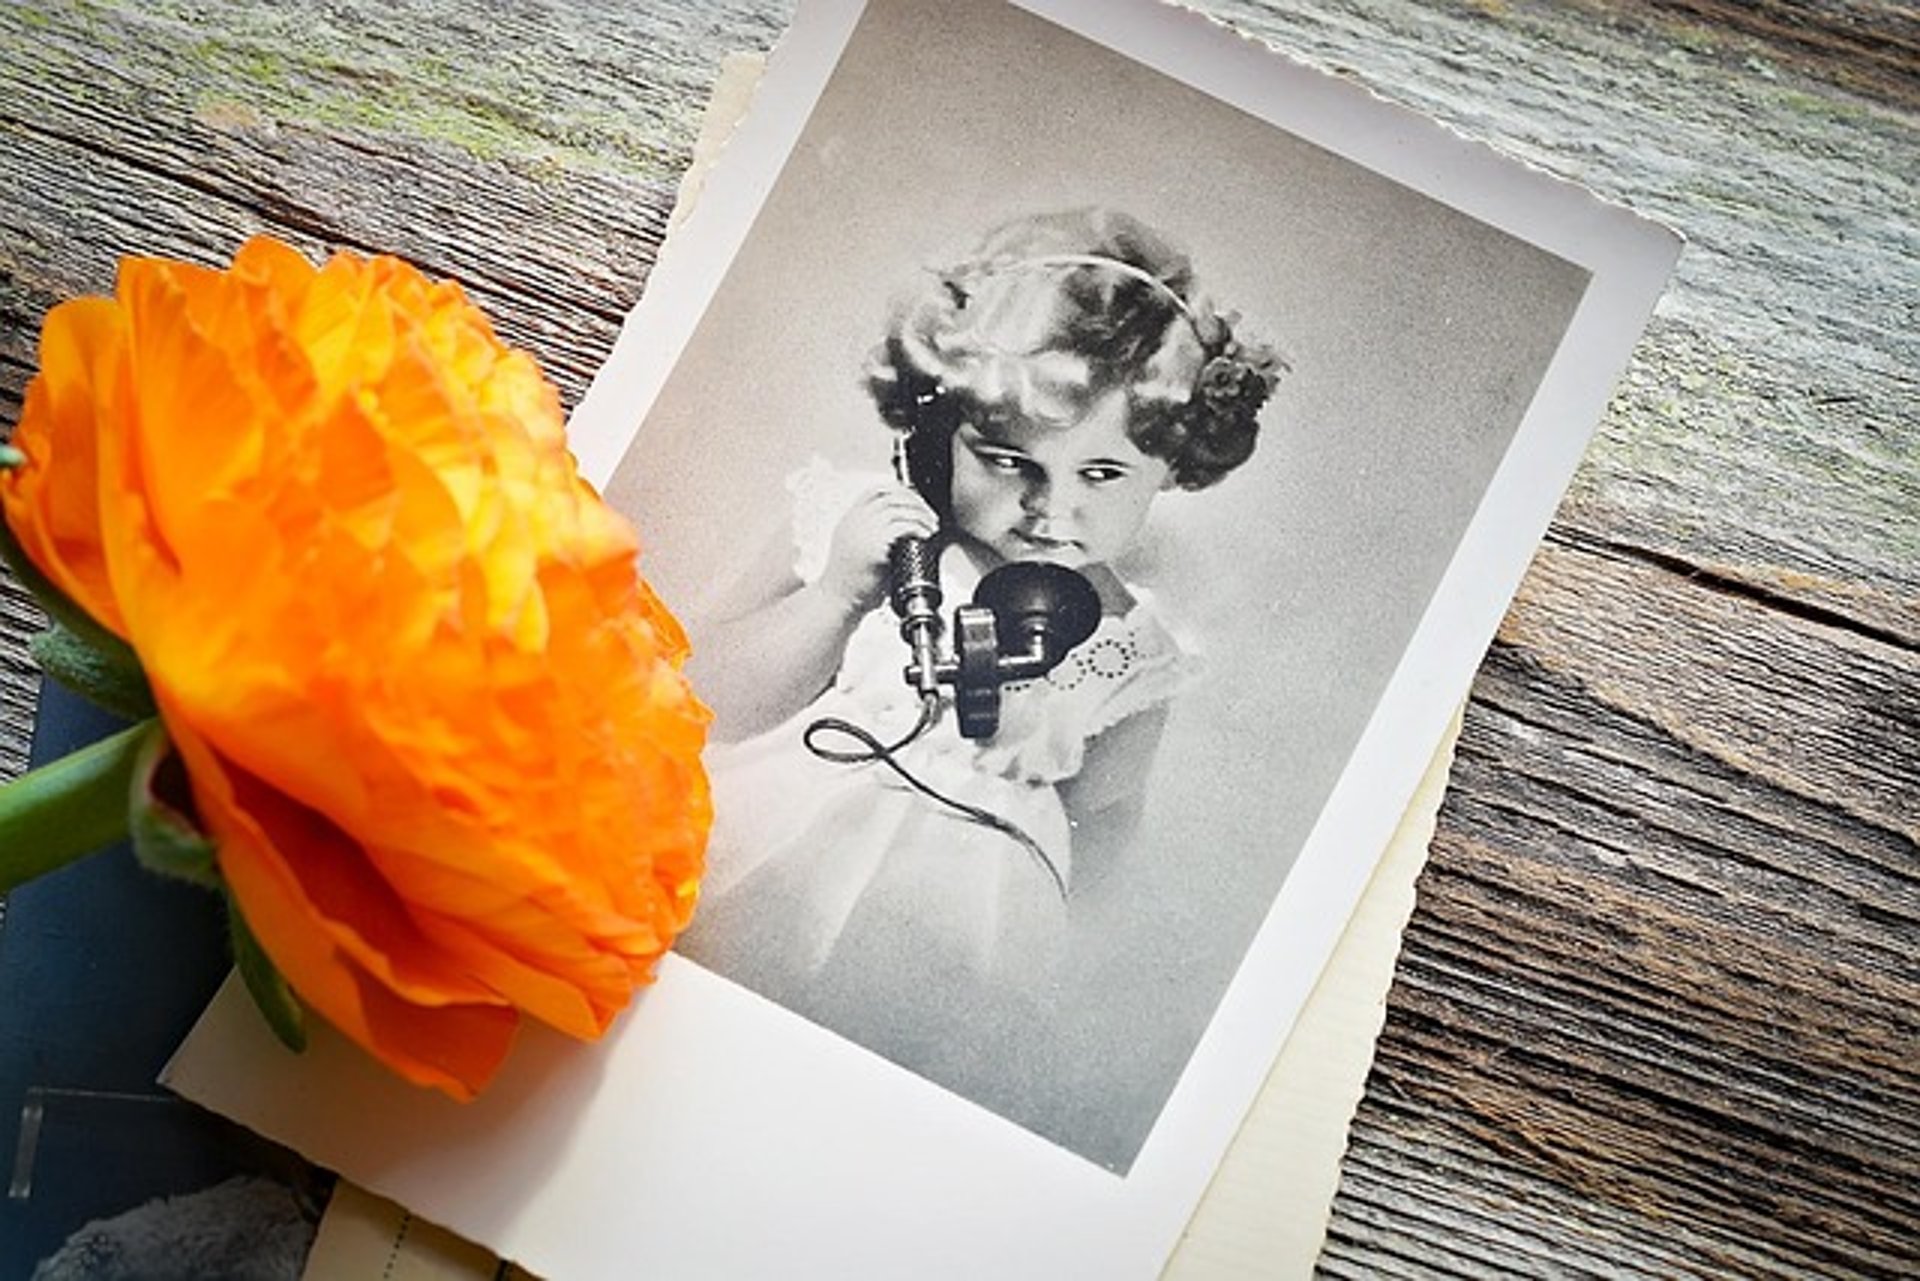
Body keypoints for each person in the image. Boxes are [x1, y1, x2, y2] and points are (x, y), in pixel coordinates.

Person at [676, 208, 1282, 1021]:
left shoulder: (1130, 646)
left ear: (1169, 471)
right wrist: (832, 602)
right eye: (1007, 460)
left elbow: (1105, 831)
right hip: (763, 858)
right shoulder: (858, 526)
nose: (1049, 508)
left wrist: (1074, 974)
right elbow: (702, 700)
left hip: (957, 935)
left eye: (1102, 474)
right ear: (939, 427)